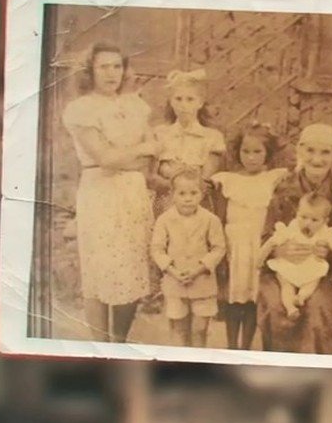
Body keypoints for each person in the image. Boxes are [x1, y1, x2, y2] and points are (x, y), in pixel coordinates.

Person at [61, 42, 159, 342]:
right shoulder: (81, 109)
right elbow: (105, 158)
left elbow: (150, 154)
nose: (111, 73)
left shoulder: (136, 106)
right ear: (90, 70)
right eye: (104, 66)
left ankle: (119, 341)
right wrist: (140, 149)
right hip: (99, 192)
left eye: (117, 66)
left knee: (131, 269)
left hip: (132, 191)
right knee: (99, 270)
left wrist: (130, 154)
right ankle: (100, 345)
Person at [256, 123, 332, 355]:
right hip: (281, 271)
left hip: (322, 272)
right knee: (278, 305)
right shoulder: (284, 187)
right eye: (310, 150)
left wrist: (328, 253)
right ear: (300, 152)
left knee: (319, 306)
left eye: (325, 152)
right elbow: (267, 235)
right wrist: (279, 251)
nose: (317, 159)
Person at [211, 122, 288, 349]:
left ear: (268, 153)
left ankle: (246, 346)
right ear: (237, 152)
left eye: (258, 152)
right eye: (246, 151)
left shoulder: (273, 178)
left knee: (253, 297)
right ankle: (232, 346)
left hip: (258, 245)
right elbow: (220, 217)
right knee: (234, 298)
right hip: (235, 245)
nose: (251, 157)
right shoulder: (227, 181)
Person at [150, 169, 227, 347]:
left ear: (202, 194)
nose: (188, 198)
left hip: (202, 281)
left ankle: (198, 363)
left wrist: (199, 269)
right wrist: (172, 271)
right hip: (175, 281)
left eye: (193, 193)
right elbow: (157, 249)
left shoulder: (210, 220)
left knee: (199, 329)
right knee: (179, 329)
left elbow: (218, 248)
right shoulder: (164, 220)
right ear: (172, 195)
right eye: (182, 193)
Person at [151, 68, 226, 212]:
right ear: (171, 102)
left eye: (190, 99)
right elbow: (154, 173)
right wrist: (172, 176)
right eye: (178, 99)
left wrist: (185, 178)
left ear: (200, 103)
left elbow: (206, 177)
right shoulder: (160, 134)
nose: (183, 105)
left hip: (198, 200)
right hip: (166, 199)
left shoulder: (212, 137)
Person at [259, 193, 332, 320]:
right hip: (289, 265)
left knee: (312, 282)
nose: (307, 223)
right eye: (303, 217)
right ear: (297, 213)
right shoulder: (292, 228)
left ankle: (301, 297)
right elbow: (271, 242)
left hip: (311, 266)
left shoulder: (326, 232)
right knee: (286, 286)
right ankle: (290, 308)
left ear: (325, 221)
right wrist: (260, 259)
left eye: (314, 220)